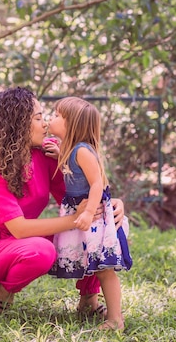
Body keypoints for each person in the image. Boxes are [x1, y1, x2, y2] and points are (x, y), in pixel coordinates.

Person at [0, 87, 125, 317]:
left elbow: (77, 195)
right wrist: (75, 219)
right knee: (42, 250)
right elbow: (19, 229)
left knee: (97, 227)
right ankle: (2, 290)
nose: (45, 124)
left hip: (28, 239)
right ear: (17, 124)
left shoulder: (46, 154)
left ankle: (88, 299)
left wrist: (109, 204)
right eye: (38, 118)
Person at [47, 96, 132, 330]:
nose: (51, 117)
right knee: (89, 263)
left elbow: (97, 184)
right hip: (81, 212)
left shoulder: (82, 151)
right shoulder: (70, 149)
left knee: (104, 269)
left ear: (71, 123)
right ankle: (88, 302)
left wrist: (87, 213)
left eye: (57, 115)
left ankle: (116, 319)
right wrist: (58, 153)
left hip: (94, 217)